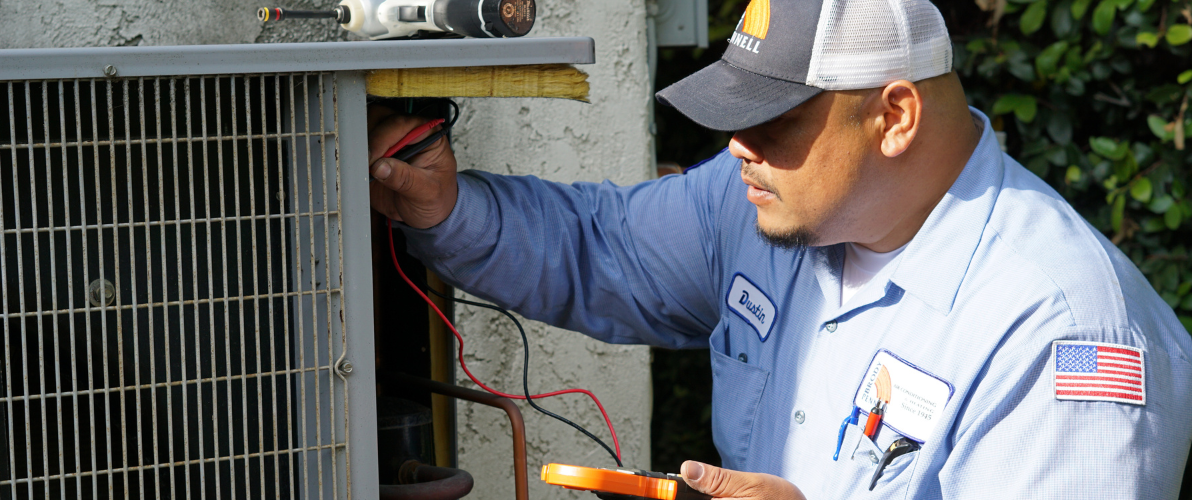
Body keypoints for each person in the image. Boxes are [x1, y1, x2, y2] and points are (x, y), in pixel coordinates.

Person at [368, 0, 1192, 498]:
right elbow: (602, 247)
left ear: (896, 117)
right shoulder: (762, 199)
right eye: (733, 117)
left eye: (775, 120)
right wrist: (444, 207)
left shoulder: (1062, 332)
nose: (737, 148)